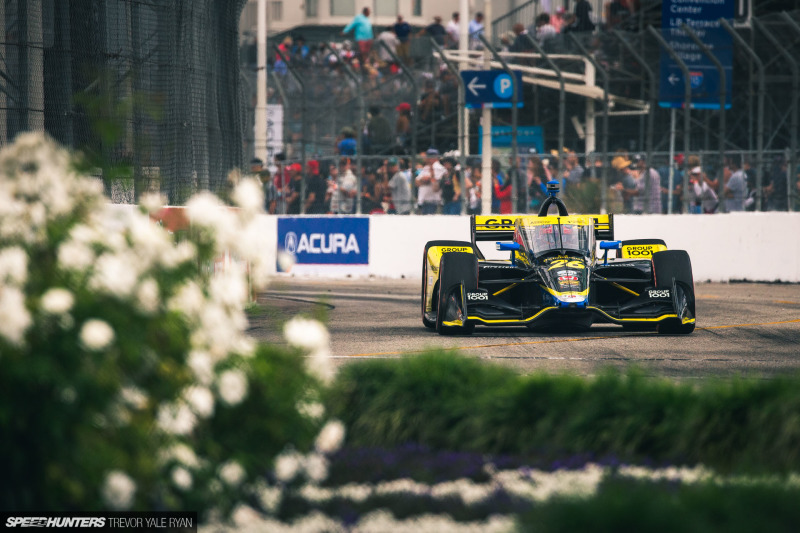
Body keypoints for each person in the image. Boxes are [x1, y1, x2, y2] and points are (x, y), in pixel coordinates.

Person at [415, 148, 445, 214]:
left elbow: (435, 183)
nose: (428, 159)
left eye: (431, 157)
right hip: (424, 202)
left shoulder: (439, 167)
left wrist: (426, 180)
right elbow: (417, 182)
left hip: (434, 201)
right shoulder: (426, 167)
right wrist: (425, 180)